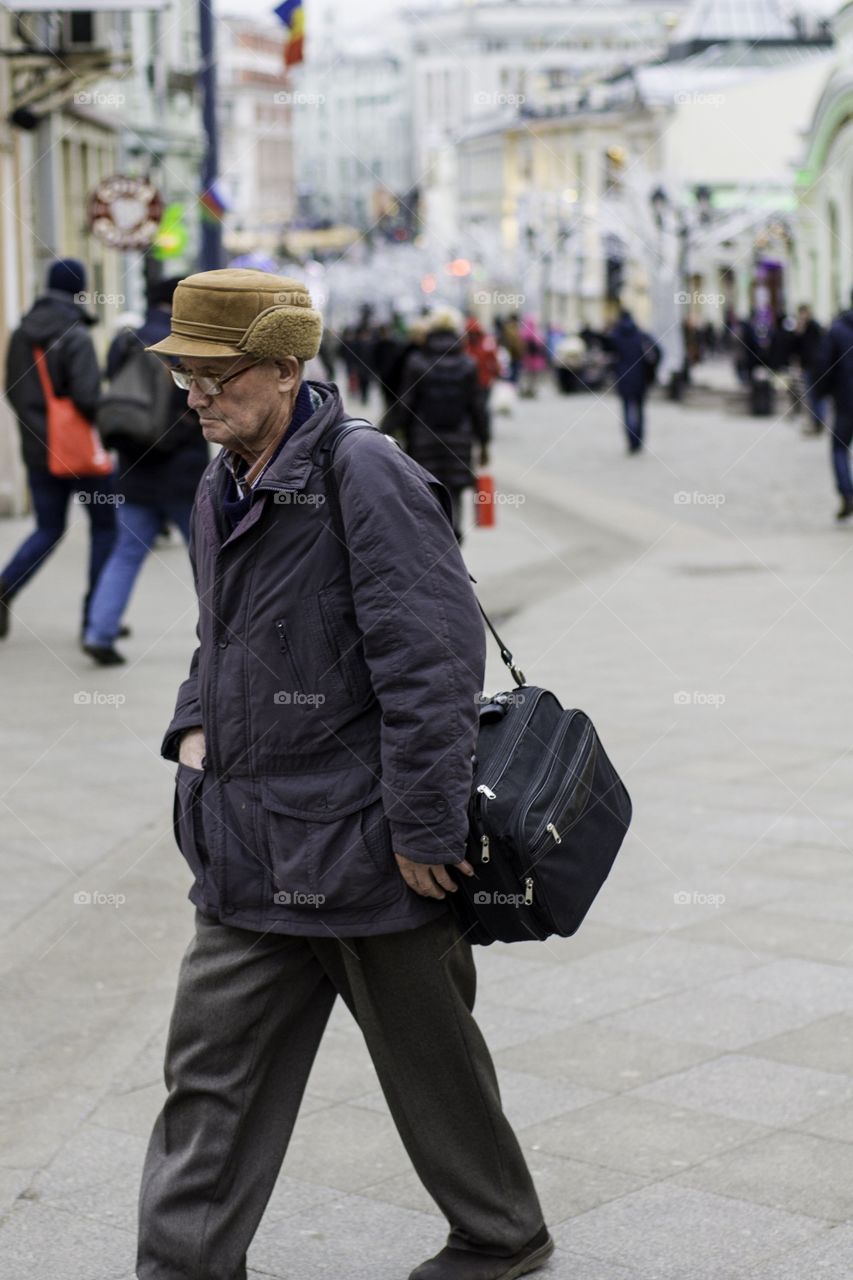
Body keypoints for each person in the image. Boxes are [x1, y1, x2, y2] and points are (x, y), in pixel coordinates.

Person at [136, 269, 552, 1280]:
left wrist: (425, 824)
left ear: (287, 368)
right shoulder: (221, 477)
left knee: (431, 1062)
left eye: (217, 373)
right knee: (208, 1070)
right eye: (185, 373)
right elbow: (217, 636)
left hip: (367, 844)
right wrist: (193, 727)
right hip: (246, 839)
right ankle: (183, 1265)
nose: (196, 393)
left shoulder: (365, 472)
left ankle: (501, 1232)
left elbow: (431, 658)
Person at [82, 277, 209, 665]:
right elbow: (198, 402)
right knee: (207, 556)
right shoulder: (183, 343)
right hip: (181, 472)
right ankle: (222, 634)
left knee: (125, 554)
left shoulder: (125, 341)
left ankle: (99, 631)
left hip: (134, 468)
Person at [0, 258, 116, 640]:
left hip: (38, 451)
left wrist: (39, 430)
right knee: (106, 528)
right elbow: (87, 396)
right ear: (79, 290)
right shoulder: (76, 334)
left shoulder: (22, 333)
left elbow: (13, 390)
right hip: (79, 453)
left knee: (48, 528)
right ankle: (96, 619)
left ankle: (5, 586)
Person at [397, 308, 489, 540]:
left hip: (423, 439)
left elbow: (406, 403)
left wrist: (397, 432)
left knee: (427, 491)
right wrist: (484, 442)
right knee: (454, 491)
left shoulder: (417, 362)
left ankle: (433, 540)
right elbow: (477, 407)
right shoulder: (468, 364)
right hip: (459, 440)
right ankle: (454, 535)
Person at [814, 292, 853, 520]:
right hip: (844, 398)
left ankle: (847, 493)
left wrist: (823, 392)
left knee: (839, 448)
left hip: (846, 400)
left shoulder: (838, 329)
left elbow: (823, 364)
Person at [604, 308, 660, 453]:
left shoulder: (616, 336)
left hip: (623, 378)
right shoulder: (641, 335)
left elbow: (607, 354)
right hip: (641, 378)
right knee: (639, 410)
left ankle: (631, 442)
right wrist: (651, 372)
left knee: (627, 410)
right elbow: (659, 352)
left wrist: (615, 370)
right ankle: (639, 440)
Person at [791, 304, 828, 436]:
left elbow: (819, 347)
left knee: (818, 395)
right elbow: (796, 347)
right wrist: (798, 333)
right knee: (811, 396)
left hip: (816, 367)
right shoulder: (801, 328)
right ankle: (815, 422)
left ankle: (820, 422)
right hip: (806, 366)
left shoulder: (815, 327)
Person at [463, 316, 500, 439]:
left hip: (484, 382)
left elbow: (494, 361)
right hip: (469, 383)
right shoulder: (465, 344)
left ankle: (484, 432)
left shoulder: (487, 343)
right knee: (471, 408)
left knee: (483, 408)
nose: (472, 336)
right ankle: (474, 431)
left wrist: (495, 374)